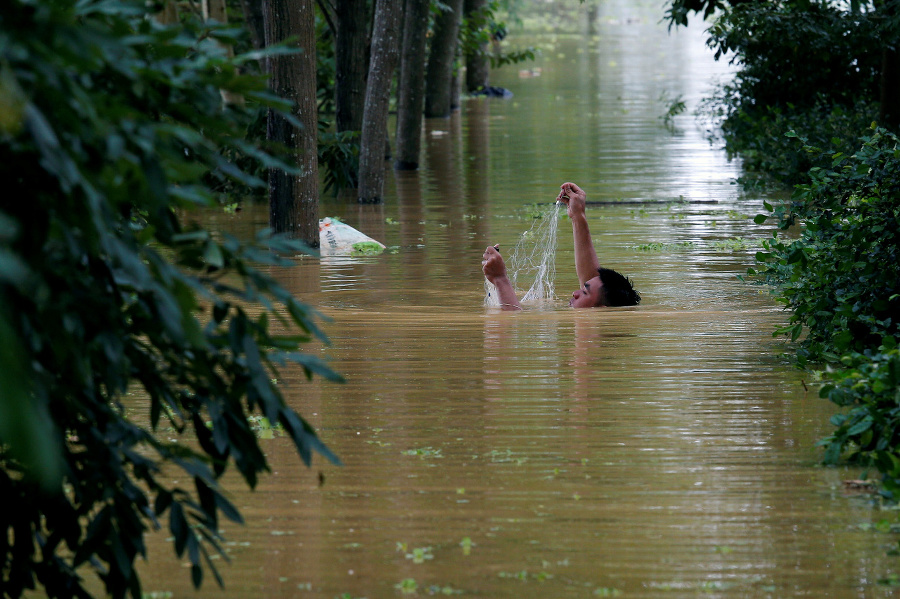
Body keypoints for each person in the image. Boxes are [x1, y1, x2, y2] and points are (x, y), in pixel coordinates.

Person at [482, 182, 640, 311]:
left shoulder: (590, 338)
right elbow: (592, 279)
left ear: (602, 310)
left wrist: (500, 279)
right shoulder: (592, 328)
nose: (575, 293)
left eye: (584, 292)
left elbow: (514, 323)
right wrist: (578, 215)